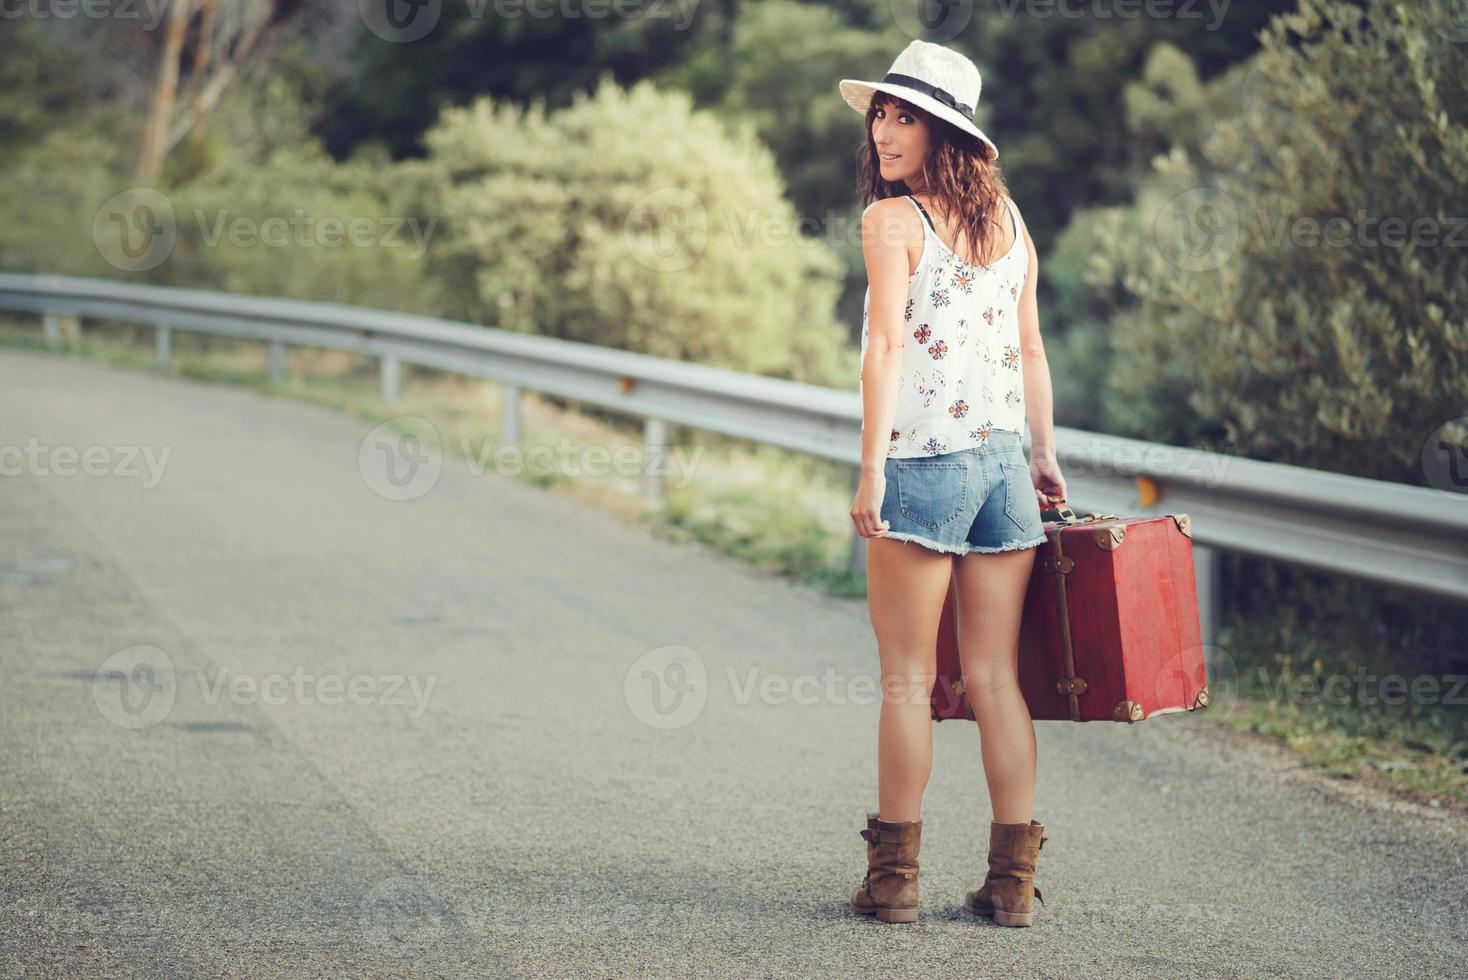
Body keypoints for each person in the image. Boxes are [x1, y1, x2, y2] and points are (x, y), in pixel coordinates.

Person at [839, 39, 1067, 927]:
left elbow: (886, 348)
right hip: (1004, 469)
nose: (885, 131)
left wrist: (868, 470)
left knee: (905, 679)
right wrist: (1042, 456)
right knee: (993, 677)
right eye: (881, 114)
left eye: (904, 116)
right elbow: (1032, 350)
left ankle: (893, 881)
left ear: (945, 130)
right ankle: (1010, 887)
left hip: (923, 465)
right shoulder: (1011, 224)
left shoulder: (893, 222)